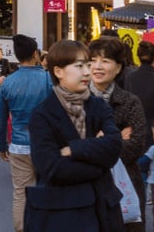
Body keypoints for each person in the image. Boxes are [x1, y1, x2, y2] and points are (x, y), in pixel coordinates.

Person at [25, 39, 126, 230]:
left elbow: (114, 146)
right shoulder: (43, 114)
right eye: (79, 66)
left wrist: (74, 149)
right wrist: (99, 164)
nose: (87, 72)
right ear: (58, 71)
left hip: (102, 209)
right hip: (62, 213)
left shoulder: (98, 105)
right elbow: (51, 168)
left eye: (88, 65)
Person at [88, 36, 149, 231]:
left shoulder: (130, 102)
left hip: (125, 186)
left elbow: (137, 146)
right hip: (85, 186)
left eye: (105, 61)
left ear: (118, 67)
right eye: (93, 61)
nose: (97, 66)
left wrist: (96, 143)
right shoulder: (75, 101)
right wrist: (114, 140)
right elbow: (69, 144)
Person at [0, 34, 52, 232]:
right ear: (36, 54)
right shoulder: (47, 80)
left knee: (20, 193)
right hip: (45, 145)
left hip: (18, 145)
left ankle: (21, 229)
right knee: (46, 190)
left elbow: (0, 119)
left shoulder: (8, 83)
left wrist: (1, 145)